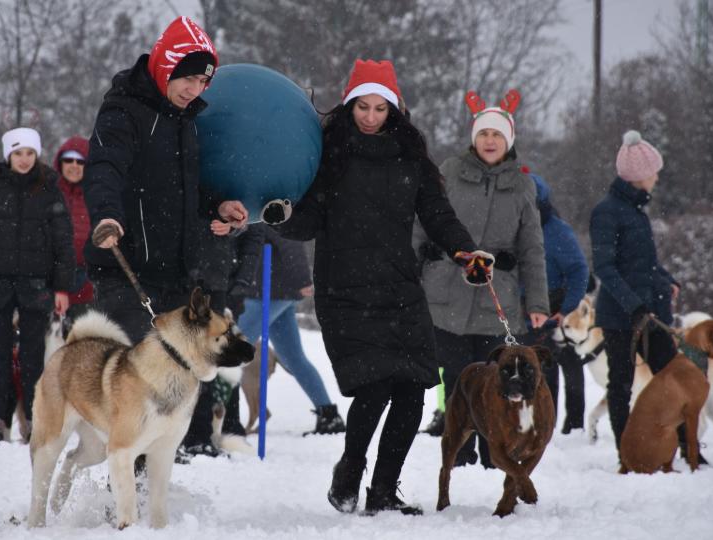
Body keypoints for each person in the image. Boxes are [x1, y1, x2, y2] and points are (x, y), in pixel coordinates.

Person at [268, 59, 490, 515]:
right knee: (374, 385)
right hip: (345, 291)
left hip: (399, 286)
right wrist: (283, 215)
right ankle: (351, 466)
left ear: (394, 109)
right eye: (362, 107)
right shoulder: (329, 153)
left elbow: (438, 215)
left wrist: (466, 251)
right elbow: (308, 220)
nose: (370, 117)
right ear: (349, 106)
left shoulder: (410, 156)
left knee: (413, 389)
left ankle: (384, 490)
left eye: (379, 108)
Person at [82, 16, 248, 455]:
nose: (194, 90)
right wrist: (107, 217)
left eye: (202, 82)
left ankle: (143, 483)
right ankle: (114, 483)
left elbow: (185, 189)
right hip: (126, 265)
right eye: (188, 78)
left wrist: (218, 205)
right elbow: (104, 169)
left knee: (172, 387)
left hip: (174, 272)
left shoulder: (184, 120)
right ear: (166, 66)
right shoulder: (123, 110)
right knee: (133, 388)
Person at [416, 91, 549, 470]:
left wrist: (537, 303)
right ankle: (458, 452)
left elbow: (532, 249)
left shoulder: (523, 186)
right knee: (457, 379)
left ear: (508, 141)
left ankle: (497, 454)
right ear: (474, 137)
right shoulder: (448, 174)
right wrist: (417, 265)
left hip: (497, 299)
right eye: (484, 133)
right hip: (447, 295)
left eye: (497, 135)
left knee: (499, 379)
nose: (490, 141)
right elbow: (422, 224)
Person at [0, 127, 74, 443]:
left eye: (29, 153)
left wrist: (62, 288)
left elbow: (63, 243)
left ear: (37, 155)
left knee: (33, 357)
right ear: (8, 155)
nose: (24, 159)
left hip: (36, 285)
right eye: (17, 153)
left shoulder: (50, 189)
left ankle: (36, 419)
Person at [590, 130, 680, 460]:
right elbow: (605, 267)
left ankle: (684, 445)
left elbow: (646, 264)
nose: (657, 177)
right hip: (620, 315)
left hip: (651, 312)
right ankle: (626, 450)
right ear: (641, 176)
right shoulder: (607, 211)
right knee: (621, 384)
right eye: (654, 171)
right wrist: (634, 305)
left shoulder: (636, 212)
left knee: (672, 378)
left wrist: (668, 281)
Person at [231, 223, 345, 435]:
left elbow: (290, 241)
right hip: (274, 290)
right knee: (293, 357)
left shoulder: (267, 204)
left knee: (232, 353)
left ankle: (218, 421)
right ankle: (328, 415)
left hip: (267, 291)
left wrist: (302, 279)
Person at [526, 173, 589, 434]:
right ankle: (543, 424)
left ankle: (573, 426)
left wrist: (567, 309)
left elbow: (578, 270)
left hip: (557, 308)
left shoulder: (556, 231)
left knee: (568, 368)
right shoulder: (511, 227)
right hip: (525, 308)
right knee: (539, 370)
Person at [53, 135, 93, 331]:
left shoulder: (95, 194)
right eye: (68, 160)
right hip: (52, 278)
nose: (74, 165)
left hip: (88, 280)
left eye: (80, 161)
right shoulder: (48, 192)